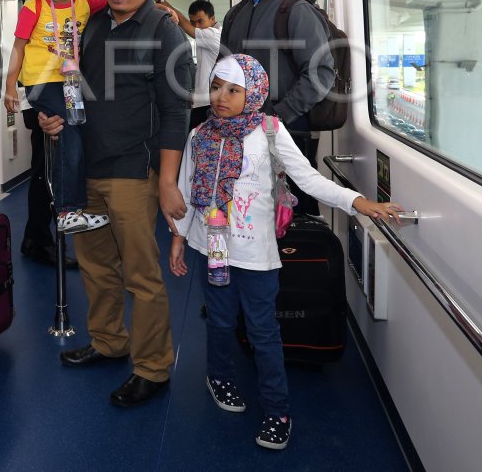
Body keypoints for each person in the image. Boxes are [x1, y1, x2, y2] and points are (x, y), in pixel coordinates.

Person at [168, 55, 402, 451]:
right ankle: (219, 375)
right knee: (221, 322)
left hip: (257, 253)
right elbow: (189, 191)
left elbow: (308, 179)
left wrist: (358, 202)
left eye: (233, 90)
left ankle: (277, 410)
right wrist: (178, 239)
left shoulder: (270, 132)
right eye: (215, 86)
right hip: (215, 247)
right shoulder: (199, 135)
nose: (220, 97)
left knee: (263, 331)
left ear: (254, 92)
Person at [40, 0, 192, 408]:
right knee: (96, 265)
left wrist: (167, 181)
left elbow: (176, 114)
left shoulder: (166, 33)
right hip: (87, 164)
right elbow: (75, 82)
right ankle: (109, 341)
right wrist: (56, 116)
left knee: (140, 275)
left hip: (133, 169)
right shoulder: (93, 23)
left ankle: (153, 366)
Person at [222, 0, 334, 217]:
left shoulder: (296, 11)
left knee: (288, 220)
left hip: (286, 132)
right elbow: (224, 72)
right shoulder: (235, 14)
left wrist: (277, 116)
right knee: (248, 213)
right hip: (241, 135)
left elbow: (320, 72)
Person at [5, 0, 109, 236]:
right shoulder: (34, 6)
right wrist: (10, 86)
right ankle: (67, 210)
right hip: (40, 82)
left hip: (70, 81)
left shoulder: (85, 2)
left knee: (81, 127)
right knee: (69, 130)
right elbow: (18, 47)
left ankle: (72, 207)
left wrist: (155, 4)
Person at [153, 0, 222, 130]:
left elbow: (182, 22)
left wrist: (160, 0)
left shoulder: (213, 34)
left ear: (212, 19)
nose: (197, 26)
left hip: (207, 104)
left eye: (200, 21)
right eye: (193, 22)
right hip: (203, 102)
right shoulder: (210, 36)